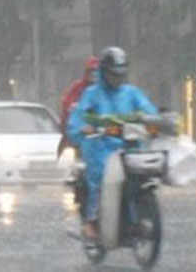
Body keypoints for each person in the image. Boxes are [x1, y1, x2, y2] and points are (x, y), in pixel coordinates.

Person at [67, 46, 158, 240]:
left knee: (141, 174)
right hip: (100, 149)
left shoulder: (132, 93)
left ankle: (139, 214)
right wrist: (82, 129)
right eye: (114, 74)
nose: (118, 78)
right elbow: (78, 116)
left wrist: (155, 122)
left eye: (121, 74)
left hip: (129, 147)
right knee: (99, 180)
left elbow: (148, 111)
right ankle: (91, 221)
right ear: (104, 72)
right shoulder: (92, 94)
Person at [57, 56, 99, 159]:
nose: (93, 74)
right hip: (78, 133)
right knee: (65, 155)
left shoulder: (105, 90)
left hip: (100, 134)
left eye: (96, 71)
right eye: (91, 71)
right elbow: (67, 104)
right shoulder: (77, 87)